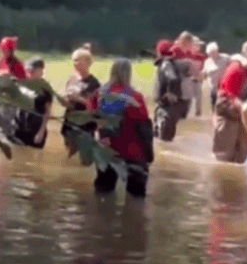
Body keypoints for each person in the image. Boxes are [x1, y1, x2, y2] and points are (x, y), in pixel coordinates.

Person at [90, 58, 154, 197]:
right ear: (129, 74)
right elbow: (143, 122)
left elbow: (92, 118)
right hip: (133, 152)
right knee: (136, 197)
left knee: (103, 194)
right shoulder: (136, 97)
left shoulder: (99, 94)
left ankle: (99, 218)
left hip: (107, 150)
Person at [212, 41, 247, 163]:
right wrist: (244, 108)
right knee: (224, 154)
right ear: (244, 55)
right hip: (227, 108)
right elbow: (229, 95)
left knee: (243, 152)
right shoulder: (236, 68)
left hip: (241, 109)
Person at [62, 45, 101, 158]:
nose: (74, 63)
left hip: (84, 126)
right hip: (69, 124)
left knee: (83, 158)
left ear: (87, 62)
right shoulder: (71, 80)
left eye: (77, 60)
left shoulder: (93, 83)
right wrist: (65, 100)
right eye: (73, 60)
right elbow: (66, 101)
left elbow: (95, 108)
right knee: (69, 156)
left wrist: (78, 99)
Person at [12, 57, 53, 149]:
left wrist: (41, 132)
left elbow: (47, 112)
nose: (30, 73)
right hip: (19, 127)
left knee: (35, 155)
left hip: (36, 129)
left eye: (33, 70)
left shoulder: (45, 88)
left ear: (41, 71)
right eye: (28, 70)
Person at [152, 39, 186, 141]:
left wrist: (170, 92)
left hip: (167, 110)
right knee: (164, 140)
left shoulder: (166, 64)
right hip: (168, 109)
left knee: (164, 140)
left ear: (160, 51)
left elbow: (173, 78)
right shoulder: (170, 63)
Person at [203, 42, 231, 113]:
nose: (213, 54)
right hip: (213, 87)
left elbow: (232, 67)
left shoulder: (226, 58)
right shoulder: (207, 61)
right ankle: (214, 117)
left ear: (217, 51)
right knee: (214, 105)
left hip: (224, 87)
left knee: (224, 105)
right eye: (210, 53)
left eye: (214, 52)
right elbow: (205, 71)